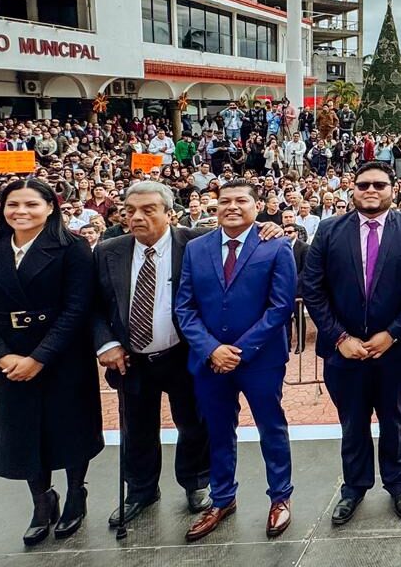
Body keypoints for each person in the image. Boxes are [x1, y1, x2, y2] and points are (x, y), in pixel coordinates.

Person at [0, 179, 102, 545]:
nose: (21, 212)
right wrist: (1, 355)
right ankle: (42, 501)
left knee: (70, 427)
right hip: (7, 357)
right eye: (13, 205)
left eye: (31, 205)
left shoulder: (72, 248)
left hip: (62, 355)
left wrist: (40, 357)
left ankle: (75, 494)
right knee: (23, 432)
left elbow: (77, 308)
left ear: (50, 207)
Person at [301, 161, 401, 523]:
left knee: (394, 419)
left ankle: (398, 484)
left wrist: (392, 334)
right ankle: (354, 488)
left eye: (379, 184)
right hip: (344, 352)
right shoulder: (329, 232)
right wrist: (339, 337)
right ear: (353, 190)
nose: (371, 191)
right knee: (353, 422)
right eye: (364, 185)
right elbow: (313, 289)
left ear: (393, 188)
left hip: (395, 350)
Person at [175, 179, 297, 542]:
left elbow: (280, 307)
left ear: (256, 206)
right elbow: (184, 306)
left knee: (271, 428)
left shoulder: (275, 246)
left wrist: (238, 351)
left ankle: (280, 497)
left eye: (241, 200)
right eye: (224, 200)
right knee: (217, 431)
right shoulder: (197, 248)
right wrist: (212, 349)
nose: (231, 206)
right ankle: (222, 497)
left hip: (260, 360)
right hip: (209, 361)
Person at [91, 182, 213, 528]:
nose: (137, 217)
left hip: (183, 355)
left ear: (169, 213)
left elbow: (244, 240)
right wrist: (106, 344)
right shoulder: (108, 250)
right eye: (130, 210)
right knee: (137, 429)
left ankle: (196, 482)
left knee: (192, 423)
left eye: (148, 210)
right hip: (131, 360)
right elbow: (95, 307)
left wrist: (271, 227)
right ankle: (142, 490)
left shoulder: (196, 243)